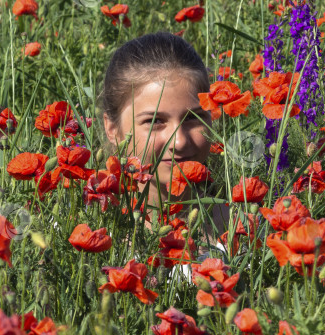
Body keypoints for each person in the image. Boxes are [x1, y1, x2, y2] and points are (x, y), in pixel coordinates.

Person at [97, 31, 231, 281]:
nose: (179, 141)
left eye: (194, 118)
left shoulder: (246, 232)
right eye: (155, 121)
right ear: (112, 129)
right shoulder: (90, 237)